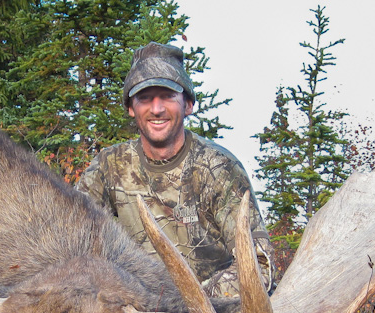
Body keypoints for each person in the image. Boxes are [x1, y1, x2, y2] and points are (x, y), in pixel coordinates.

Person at [77, 42, 275, 297]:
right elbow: (71, 234)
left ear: (188, 104)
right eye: (145, 98)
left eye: (168, 96)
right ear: (130, 107)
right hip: (138, 311)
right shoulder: (109, 165)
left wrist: (192, 303)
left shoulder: (217, 167)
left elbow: (261, 265)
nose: (156, 109)